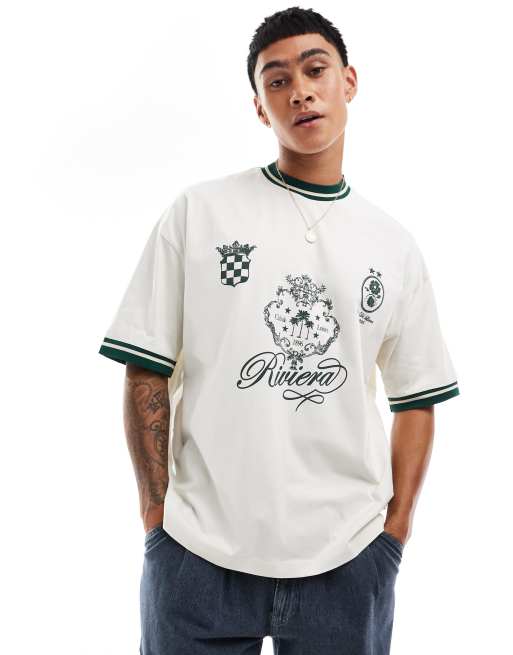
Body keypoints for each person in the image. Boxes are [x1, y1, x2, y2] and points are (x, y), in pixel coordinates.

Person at [98, 6, 460, 654]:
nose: (300, 90)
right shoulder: (200, 214)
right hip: (198, 556)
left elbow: (416, 398)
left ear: (348, 81)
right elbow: (145, 365)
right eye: (277, 80)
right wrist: (156, 518)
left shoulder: (392, 245)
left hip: (347, 561)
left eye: (315, 70)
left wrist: (392, 536)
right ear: (260, 107)